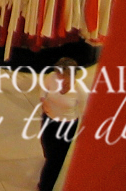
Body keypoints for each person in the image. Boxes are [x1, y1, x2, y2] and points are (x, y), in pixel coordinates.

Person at [38, 58, 86, 191]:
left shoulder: (80, 91)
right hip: (49, 119)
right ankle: (49, 162)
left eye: (62, 76)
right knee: (46, 146)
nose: (58, 79)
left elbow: (84, 111)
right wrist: (43, 100)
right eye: (57, 75)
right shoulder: (51, 78)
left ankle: (45, 186)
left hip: (67, 125)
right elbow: (43, 89)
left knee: (55, 160)